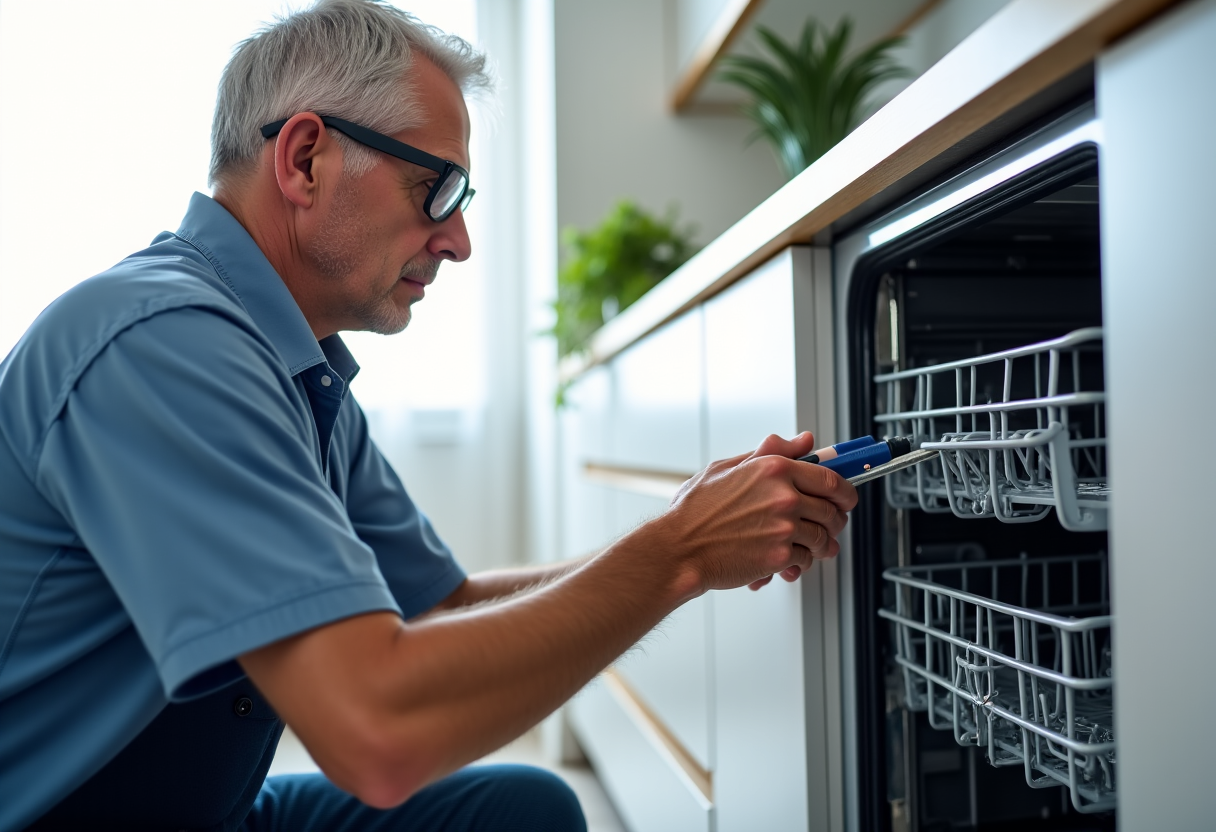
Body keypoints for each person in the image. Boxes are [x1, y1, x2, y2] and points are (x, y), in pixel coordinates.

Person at [0, 1, 857, 829]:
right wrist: (680, 555)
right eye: (436, 189)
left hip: (201, 808)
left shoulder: (297, 368)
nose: (458, 240)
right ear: (304, 160)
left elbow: (438, 610)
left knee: (527, 808)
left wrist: (684, 529)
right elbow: (377, 731)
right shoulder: (164, 348)